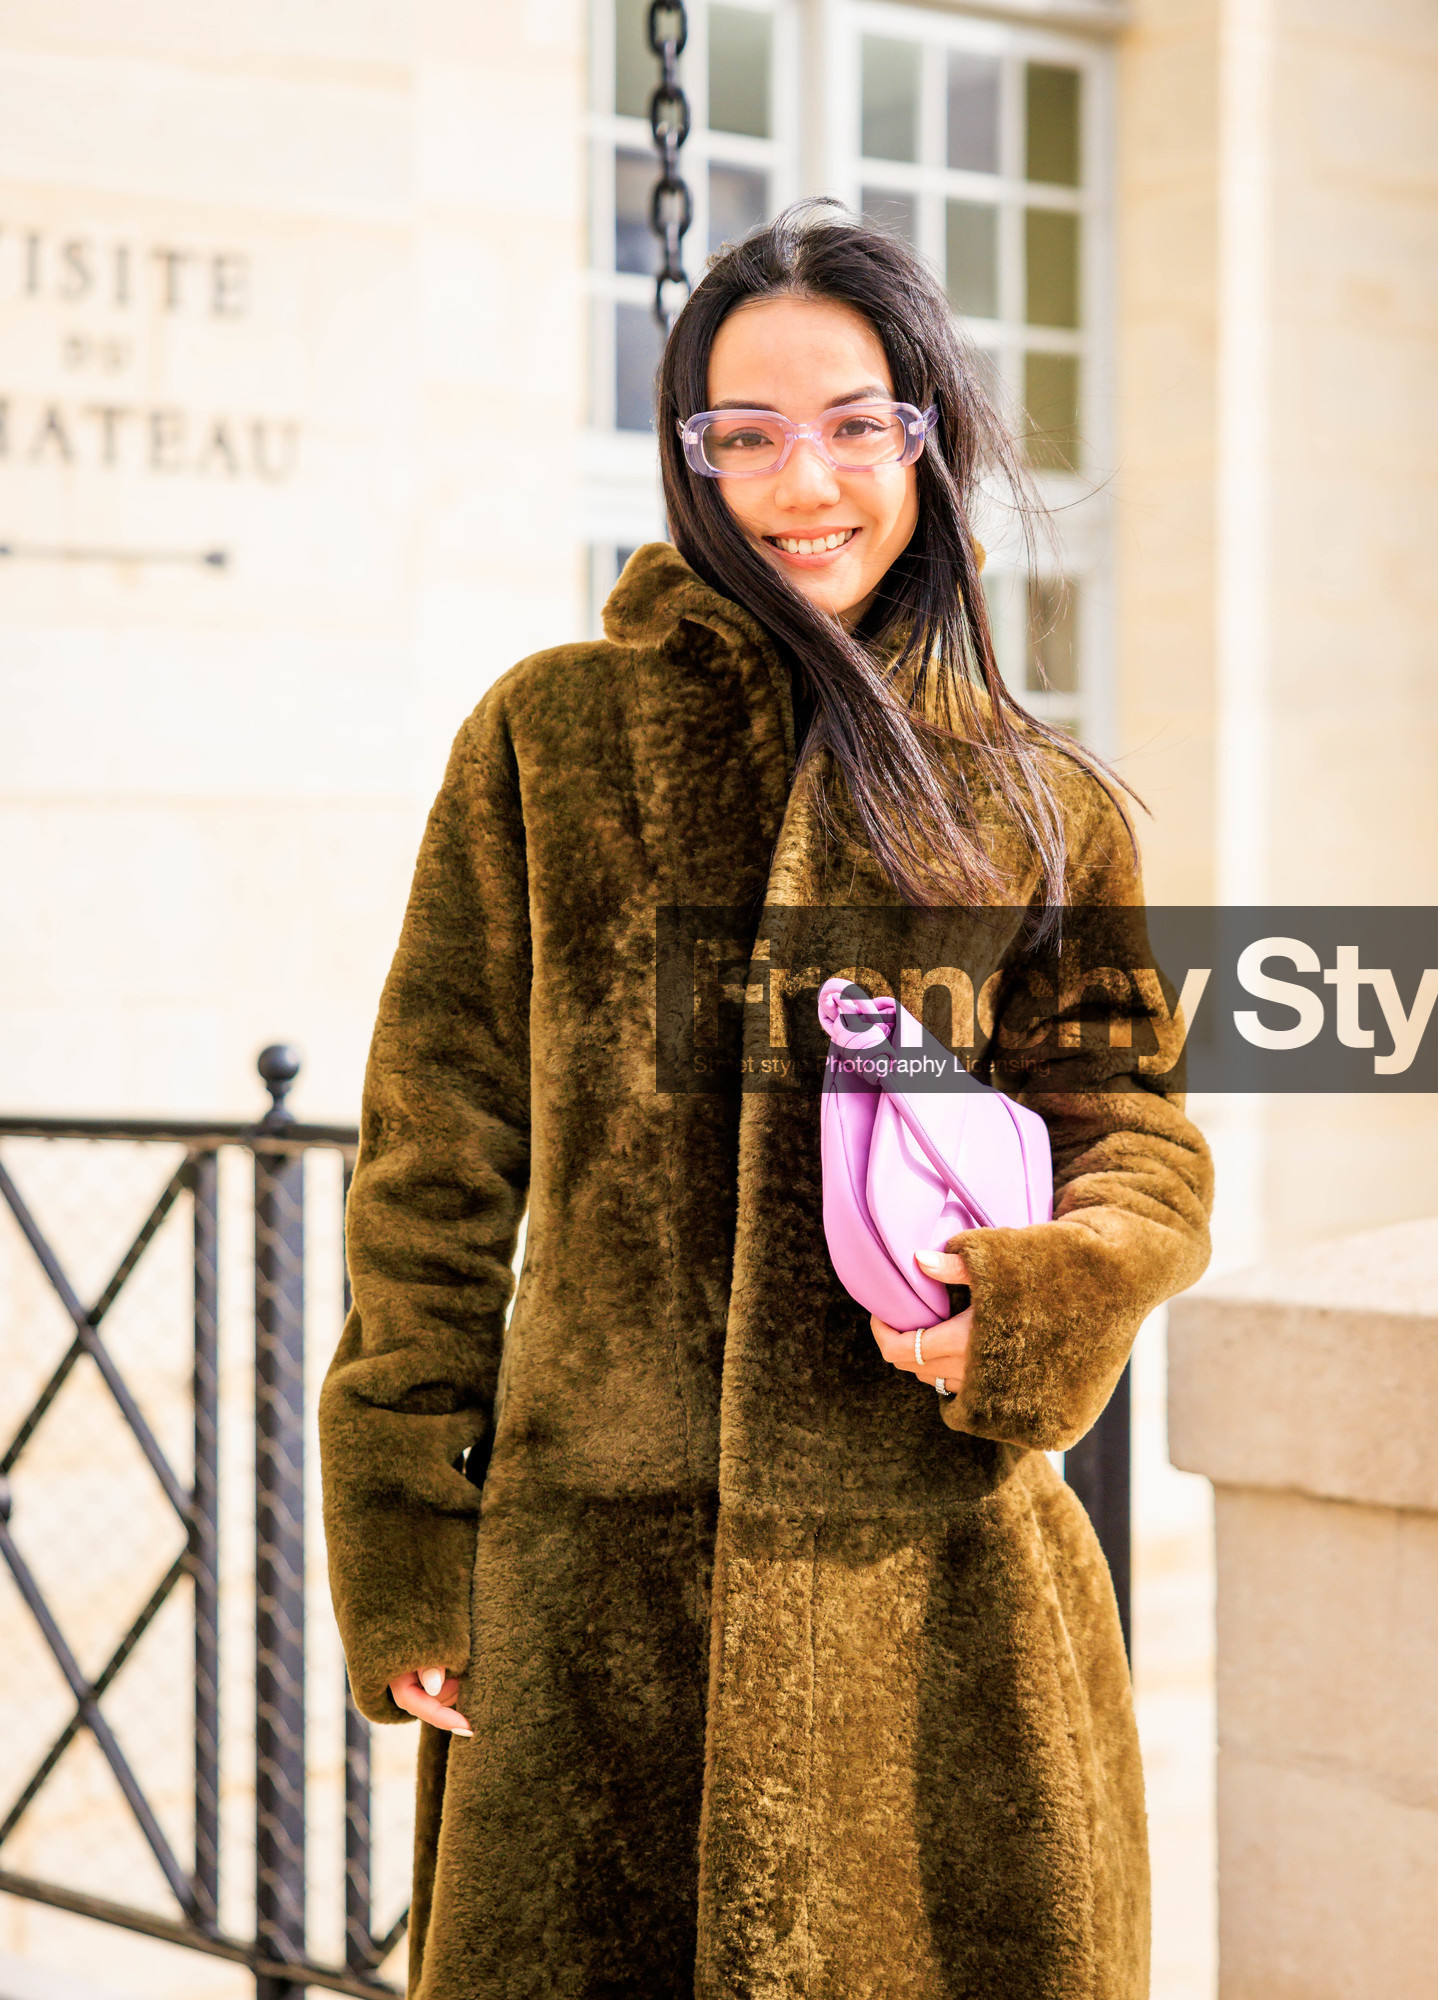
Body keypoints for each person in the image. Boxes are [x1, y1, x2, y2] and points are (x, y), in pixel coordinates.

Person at [320, 201, 1212, 2000]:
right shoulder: (550, 739)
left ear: (929, 438)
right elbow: (432, 1161)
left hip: (939, 1614)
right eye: (743, 433)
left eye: (854, 422)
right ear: (688, 456)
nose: (802, 480)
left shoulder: (1039, 803)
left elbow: (1140, 1137)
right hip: (595, 1617)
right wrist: (414, 1527)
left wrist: (1045, 1296)